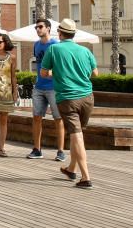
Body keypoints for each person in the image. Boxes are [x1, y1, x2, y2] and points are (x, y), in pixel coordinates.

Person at [41, 19, 98, 188]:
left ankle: (86, 177)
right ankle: (71, 169)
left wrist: (57, 74)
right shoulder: (85, 50)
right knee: (77, 134)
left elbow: (44, 73)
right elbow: (95, 73)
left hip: (67, 98)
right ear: (74, 34)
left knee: (76, 135)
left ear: (59, 33)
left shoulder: (54, 49)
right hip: (88, 97)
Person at [27, 19, 66, 161]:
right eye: (36, 27)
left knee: (58, 118)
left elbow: (62, 68)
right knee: (36, 117)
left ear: (48, 28)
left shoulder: (56, 45)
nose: (38, 29)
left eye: (40, 27)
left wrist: (52, 74)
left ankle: (61, 151)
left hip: (54, 88)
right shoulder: (36, 45)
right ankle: (37, 149)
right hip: (39, 87)